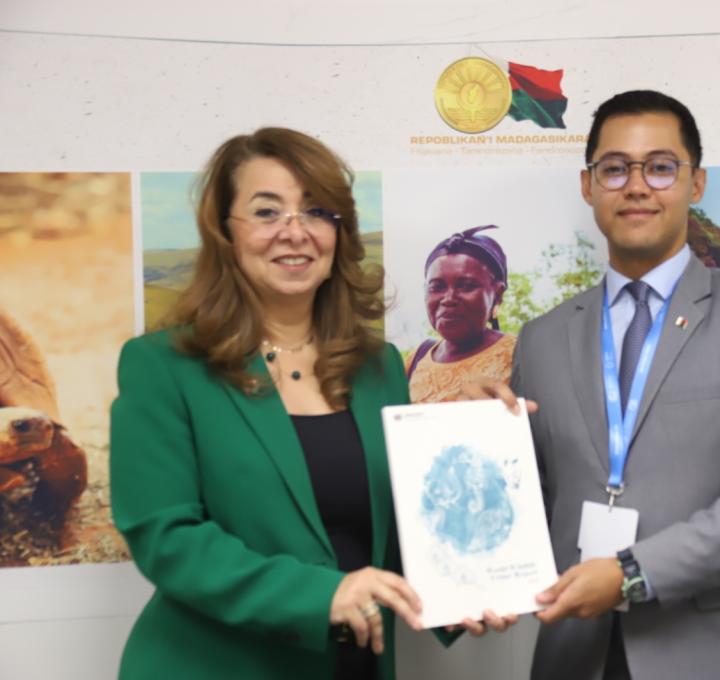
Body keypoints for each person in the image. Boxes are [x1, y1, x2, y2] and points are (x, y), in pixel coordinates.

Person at [110, 127, 509, 680]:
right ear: (225, 232)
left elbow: (396, 531)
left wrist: (464, 588)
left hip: (353, 666)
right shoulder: (163, 366)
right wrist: (324, 595)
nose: (294, 233)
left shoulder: (378, 367)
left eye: (316, 211)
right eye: (267, 212)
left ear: (339, 233)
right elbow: (166, 539)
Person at [465, 91, 720, 679]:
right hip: (576, 657)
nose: (636, 185)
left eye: (660, 167)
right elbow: (523, 508)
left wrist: (631, 573)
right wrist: (473, 442)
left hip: (717, 655)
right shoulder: (542, 337)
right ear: (588, 186)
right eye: (614, 168)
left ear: (697, 183)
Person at [405, 225, 516, 403]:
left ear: (497, 294)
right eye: (437, 287)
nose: (448, 298)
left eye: (466, 286)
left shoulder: (520, 356)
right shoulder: (415, 360)